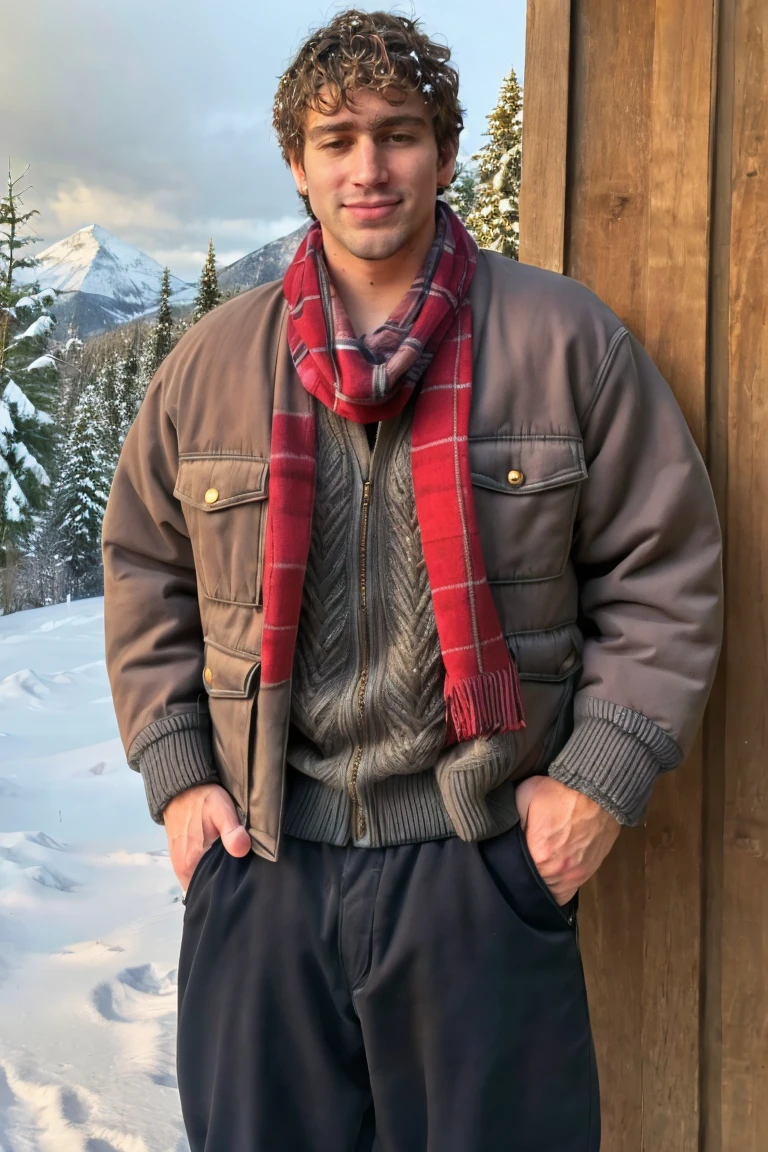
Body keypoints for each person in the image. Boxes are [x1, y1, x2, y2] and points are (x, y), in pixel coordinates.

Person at [102, 9, 723, 1150]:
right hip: (265, 864)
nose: (368, 166)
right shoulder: (212, 367)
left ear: (442, 152)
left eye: (398, 133)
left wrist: (596, 783)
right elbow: (146, 571)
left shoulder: (565, 341)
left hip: (477, 868)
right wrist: (183, 777)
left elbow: (665, 566)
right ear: (297, 164)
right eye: (336, 140)